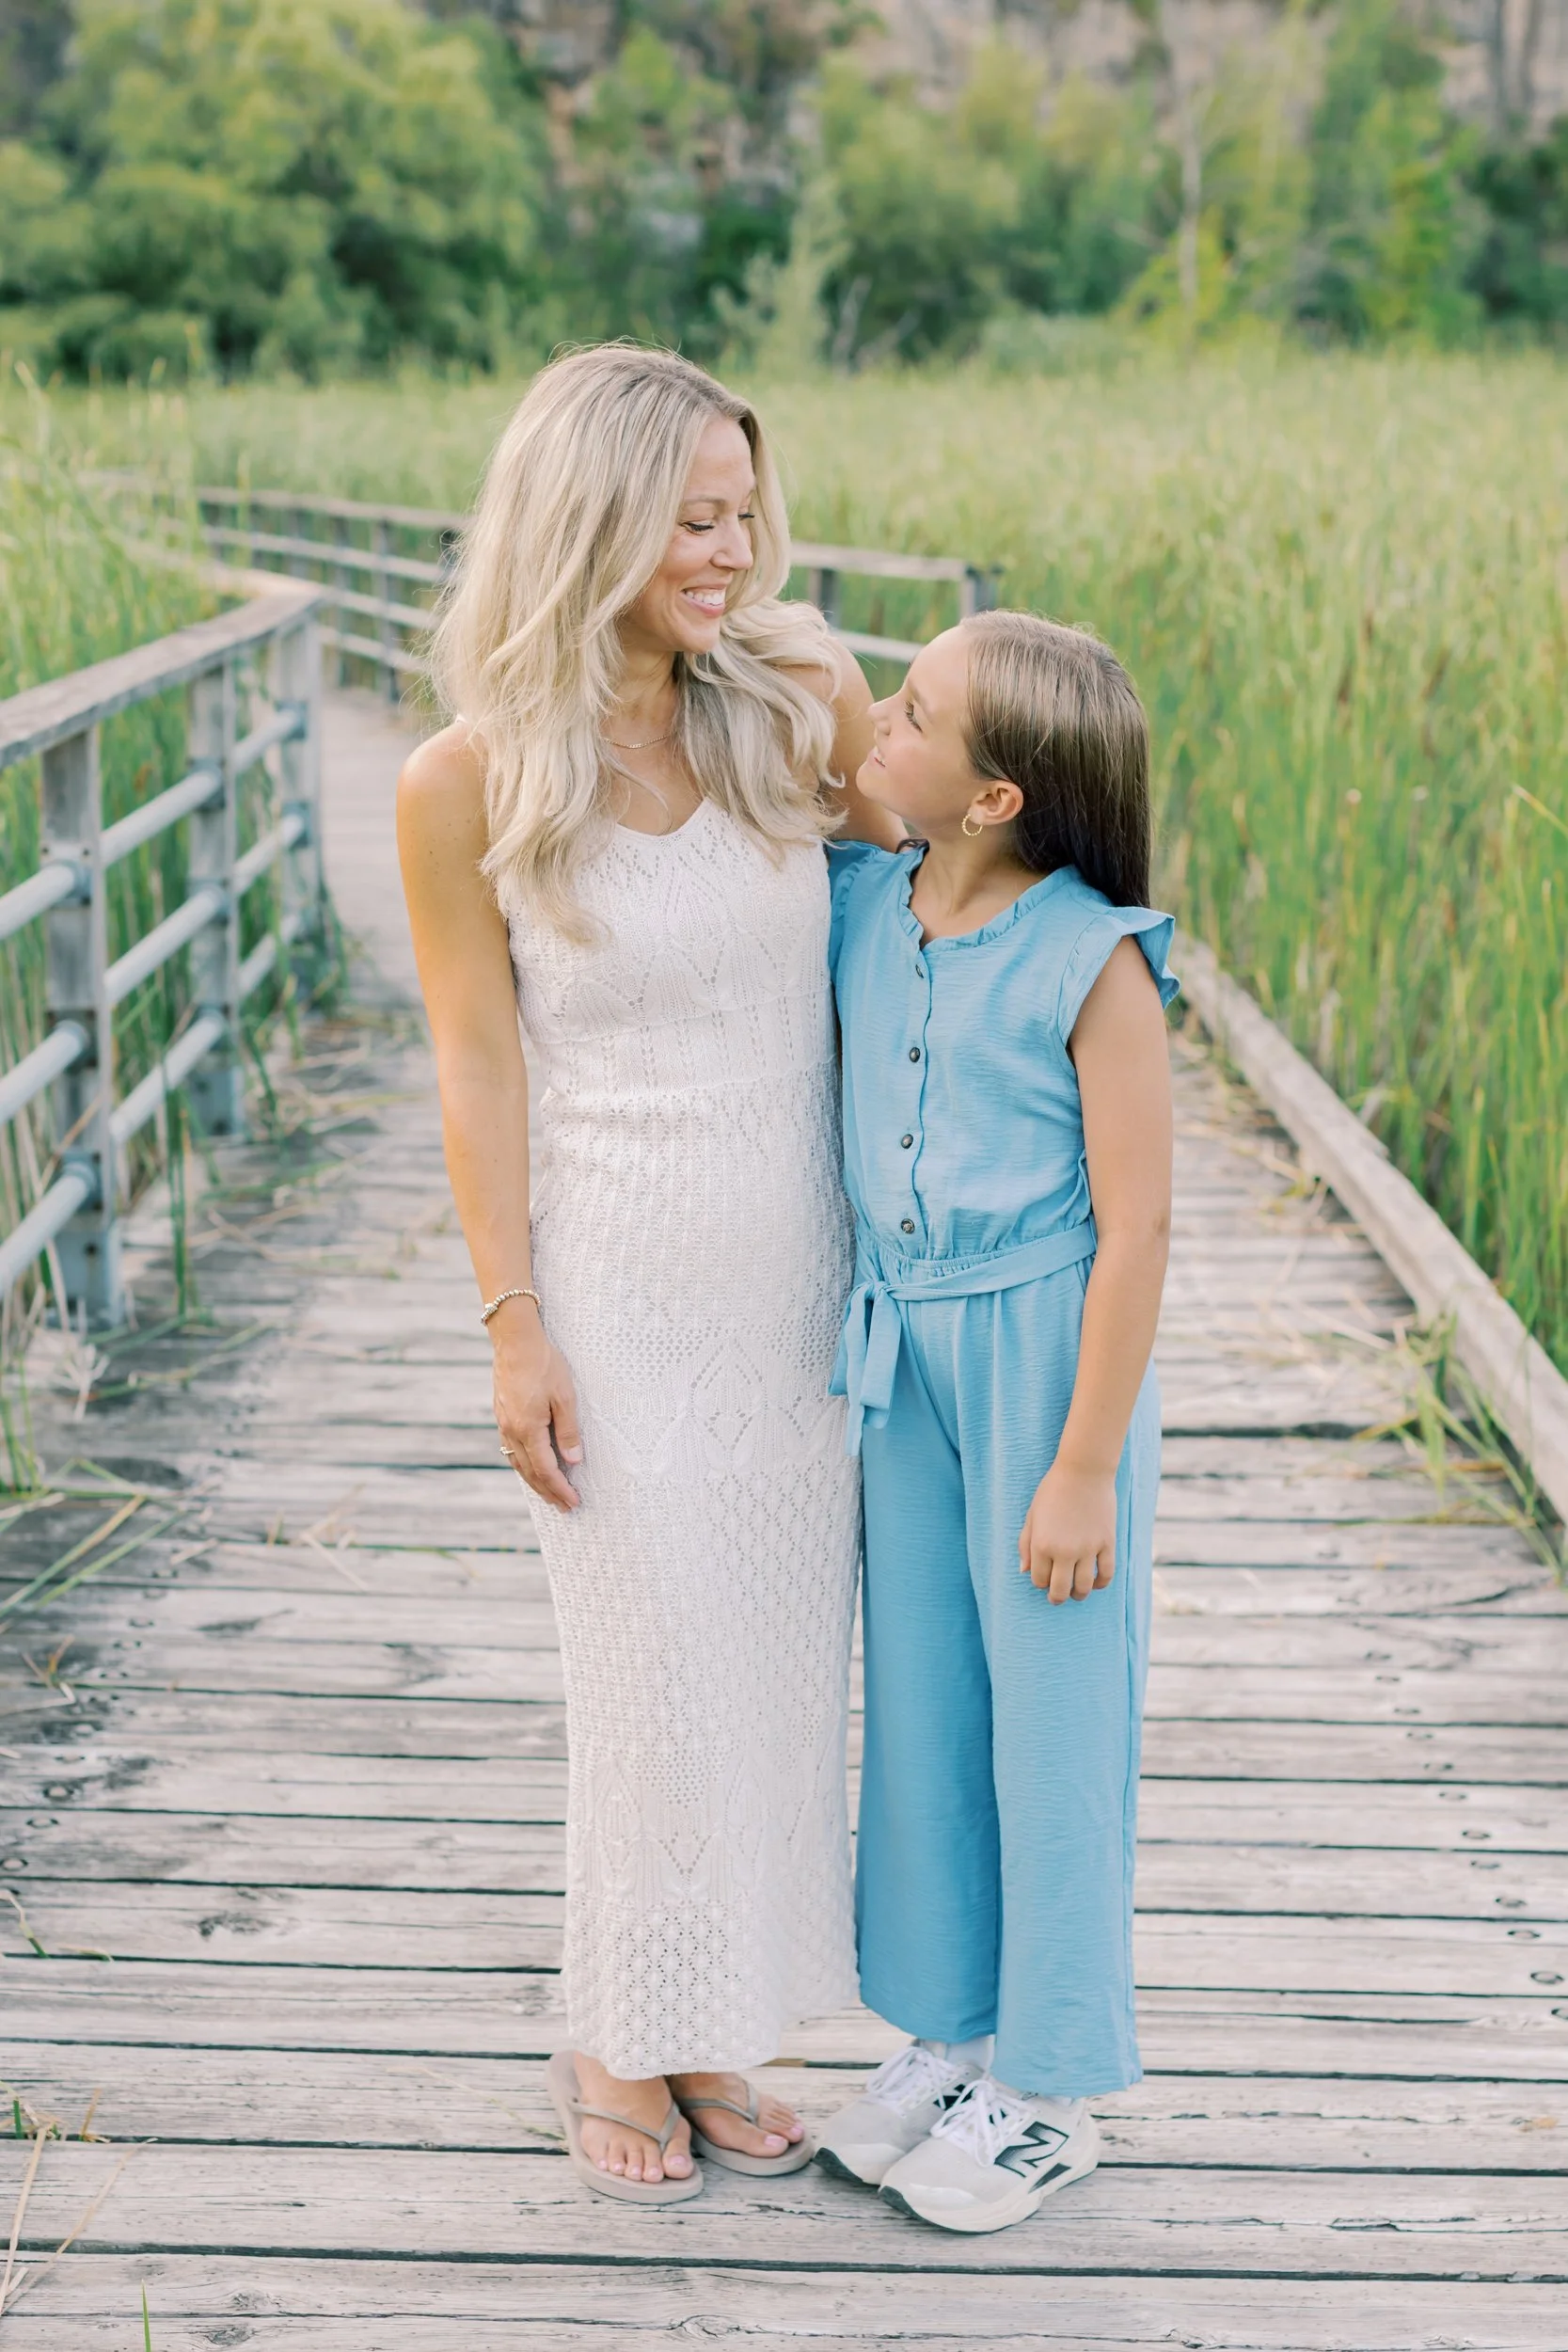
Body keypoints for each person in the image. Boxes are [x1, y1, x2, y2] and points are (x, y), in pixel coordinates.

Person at [396, 344, 892, 2204]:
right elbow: (474, 1059)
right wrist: (507, 1317)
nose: (731, 544)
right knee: (646, 1663)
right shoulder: (464, 779)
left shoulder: (797, 695)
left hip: (799, 1272)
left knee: (766, 1662)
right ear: (589, 516)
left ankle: (706, 2019)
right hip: (607, 1270)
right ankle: (609, 2025)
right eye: (690, 514)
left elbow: (946, 880)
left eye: (744, 506)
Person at [814, 611, 1178, 2234]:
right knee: (926, 1708)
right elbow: (805, 702)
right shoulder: (860, 903)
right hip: (901, 1355)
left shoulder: (1090, 957)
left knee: (1049, 1721)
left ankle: (1050, 2084)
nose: (877, 727)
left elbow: (1140, 1226)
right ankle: (950, 2034)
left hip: (1042, 1360)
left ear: (996, 797)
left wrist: (1084, 1461)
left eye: (915, 714)